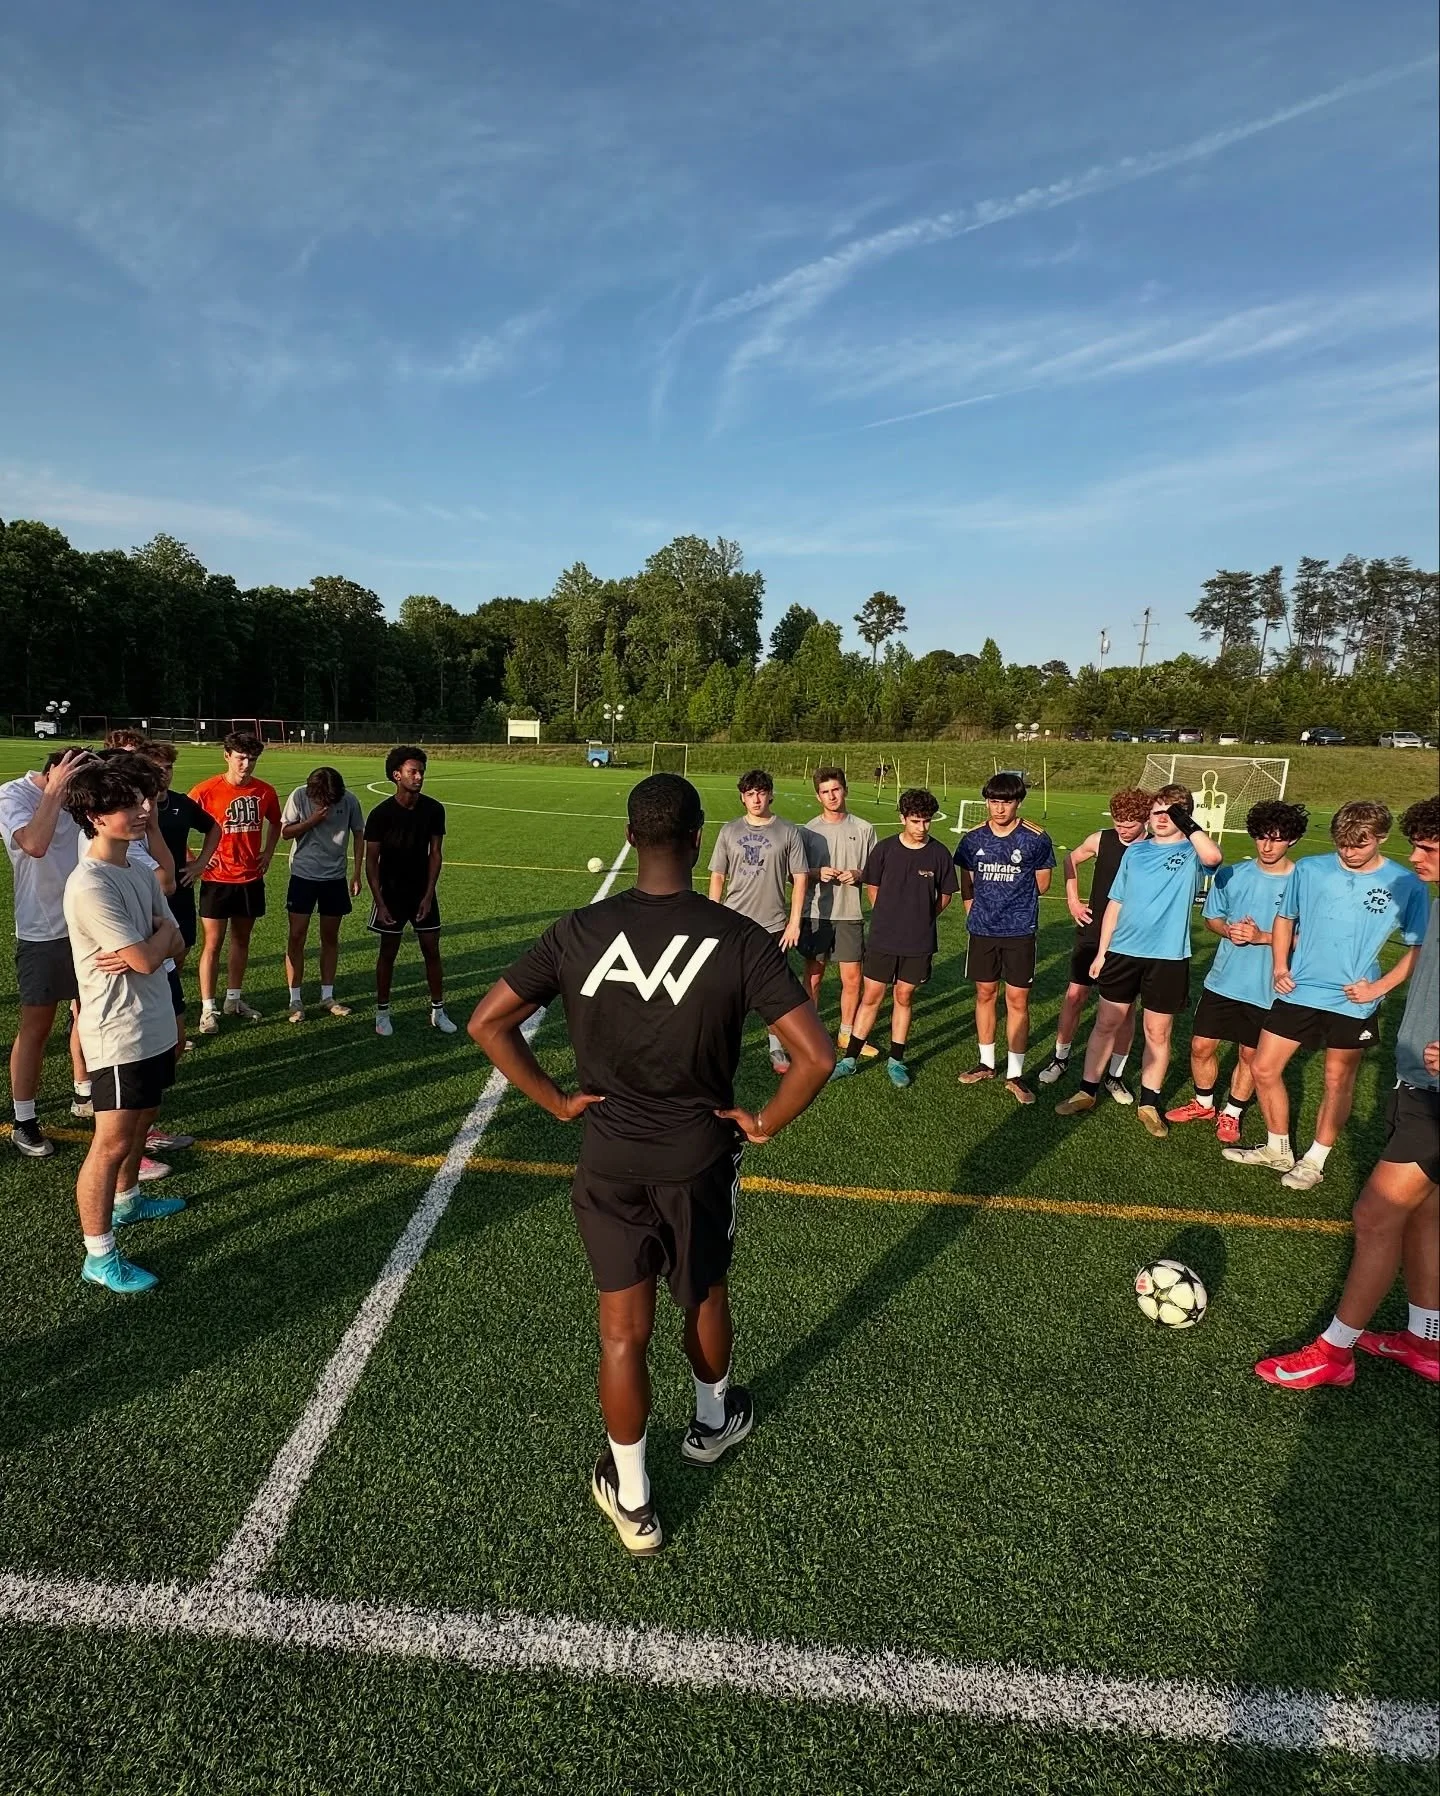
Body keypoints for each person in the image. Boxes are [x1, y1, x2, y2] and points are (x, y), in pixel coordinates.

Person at [468, 774, 833, 1556]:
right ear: (702, 837)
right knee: (703, 1290)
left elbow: (489, 1023)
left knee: (621, 1334)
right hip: (698, 1155)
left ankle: (633, 1498)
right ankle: (710, 1422)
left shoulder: (578, 930)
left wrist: (559, 1102)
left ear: (631, 837)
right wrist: (763, 1123)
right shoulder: (738, 939)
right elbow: (816, 1056)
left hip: (609, 1155)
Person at [1255, 797, 1439, 1388]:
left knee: (1376, 1214)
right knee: (1423, 1218)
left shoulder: (1409, 889)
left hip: (1431, 1092)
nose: (1416, 859)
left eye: (1429, 849)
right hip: (1418, 1079)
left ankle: (1335, 1352)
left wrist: (1378, 987)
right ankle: (1425, 1339)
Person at [1224, 800, 1428, 1191]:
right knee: (1264, 1069)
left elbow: (1419, 945)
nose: (1349, 853)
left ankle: (1314, 1160)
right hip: (1299, 989)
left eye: (1359, 845)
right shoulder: (1310, 869)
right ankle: (1277, 1148)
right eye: (1342, 845)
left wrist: (1380, 987)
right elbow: (1285, 919)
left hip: (1353, 1000)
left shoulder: (1406, 884)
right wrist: (1280, 967)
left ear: (1382, 838)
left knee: (1337, 1079)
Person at [61, 758, 188, 1294]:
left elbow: (177, 939)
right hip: (118, 1029)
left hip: (155, 1019)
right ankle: (99, 1254)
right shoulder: (89, 885)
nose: (144, 810)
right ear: (93, 815)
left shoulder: (136, 870)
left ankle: (129, 1199)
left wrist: (153, 945)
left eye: (144, 799)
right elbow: (143, 955)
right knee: (110, 1142)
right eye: (129, 804)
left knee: (143, 1122)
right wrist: (154, 945)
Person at [1056, 784, 1223, 1137]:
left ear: (1184, 816)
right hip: (1122, 953)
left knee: (1157, 1033)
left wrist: (1188, 823)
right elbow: (1116, 903)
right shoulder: (1135, 852)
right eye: (1156, 811)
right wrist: (1102, 952)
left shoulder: (1192, 852)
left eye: (1170, 813)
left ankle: (1149, 1102)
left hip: (1168, 958)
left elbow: (1213, 859)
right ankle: (1086, 1091)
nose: (1161, 819)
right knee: (1105, 1024)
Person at [1165, 800, 1309, 1145]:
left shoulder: (1304, 884)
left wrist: (1262, 937)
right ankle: (1203, 1103)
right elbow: (1212, 918)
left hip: (1269, 987)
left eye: (1276, 839)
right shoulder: (1232, 874)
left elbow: (1310, 939)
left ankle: (1232, 1112)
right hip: (1224, 980)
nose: (1267, 846)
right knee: (1201, 1045)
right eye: (1261, 837)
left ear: (1292, 840)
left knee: (1249, 1054)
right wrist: (1228, 931)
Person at [829, 788, 958, 1088]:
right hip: (883, 939)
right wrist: (889, 916)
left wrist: (922, 918)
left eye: (927, 821)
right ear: (902, 818)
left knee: (904, 996)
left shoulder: (939, 853)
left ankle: (896, 1060)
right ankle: (849, 1059)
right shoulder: (885, 849)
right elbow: (873, 887)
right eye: (915, 821)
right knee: (871, 996)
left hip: (919, 942)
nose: (921, 828)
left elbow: (947, 895)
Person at [0, 748, 94, 1155]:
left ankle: (86, 1094)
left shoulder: (81, 799)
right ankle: (24, 1120)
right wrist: (56, 791)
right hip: (43, 930)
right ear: (56, 772)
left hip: (89, 924)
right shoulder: (12, 795)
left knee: (93, 1017)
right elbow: (34, 845)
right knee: (36, 1028)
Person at [1036, 787, 1150, 1100]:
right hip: (1093, 927)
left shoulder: (1155, 847)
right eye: (1118, 821)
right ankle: (1060, 1058)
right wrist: (1072, 901)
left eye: (1130, 822)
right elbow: (1070, 859)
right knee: (1075, 995)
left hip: (1131, 938)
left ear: (1145, 819)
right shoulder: (1102, 839)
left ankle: (1115, 1075)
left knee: (1126, 1011)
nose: (1123, 828)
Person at [954, 772, 1055, 1104]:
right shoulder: (971, 839)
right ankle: (986, 1062)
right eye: (994, 801)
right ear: (987, 801)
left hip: (1020, 930)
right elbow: (966, 882)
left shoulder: (1036, 839)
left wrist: (1014, 903)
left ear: (1018, 802)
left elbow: (1043, 884)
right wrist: (973, 910)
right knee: (985, 994)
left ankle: (1015, 1072)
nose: (999, 808)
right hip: (982, 929)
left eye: (1006, 801)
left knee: (1017, 1001)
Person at [707, 769, 810, 1073]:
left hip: (774, 925)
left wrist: (794, 923)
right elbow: (717, 876)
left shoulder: (788, 831)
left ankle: (777, 1048)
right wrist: (713, 917)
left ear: (770, 794)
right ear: (742, 797)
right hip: (733, 924)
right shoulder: (729, 831)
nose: (756, 799)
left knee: (772, 993)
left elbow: (801, 879)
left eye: (761, 792)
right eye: (750, 793)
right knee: (727, 988)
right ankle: (723, 1044)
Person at [188, 730, 281, 1032]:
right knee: (212, 944)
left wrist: (268, 852)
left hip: (250, 879)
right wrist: (196, 860)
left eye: (252, 759)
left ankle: (233, 999)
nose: (246, 765)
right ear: (227, 756)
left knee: (242, 940)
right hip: (217, 879)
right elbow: (174, 826)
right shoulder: (205, 790)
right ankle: (207, 1009)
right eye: (241, 758)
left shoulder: (265, 792)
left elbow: (276, 823)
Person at [136, 739, 221, 1067]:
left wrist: (200, 864)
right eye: (157, 769)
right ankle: (155, 1026)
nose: (164, 774)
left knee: (177, 954)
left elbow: (214, 827)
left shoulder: (182, 804)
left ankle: (169, 1019)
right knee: (147, 961)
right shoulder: (134, 809)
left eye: (168, 768)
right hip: (147, 896)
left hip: (179, 892)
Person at [365, 746, 456, 1036]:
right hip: (390, 893)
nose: (418, 777)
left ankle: (438, 1012)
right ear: (396, 775)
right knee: (388, 952)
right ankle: (382, 1014)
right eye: (412, 771)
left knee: (431, 949)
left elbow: (436, 854)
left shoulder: (433, 809)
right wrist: (379, 902)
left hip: (422, 892)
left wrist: (429, 894)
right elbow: (371, 860)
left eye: (421, 772)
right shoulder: (380, 814)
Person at [798, 766, 876, 1055]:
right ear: (818, 796)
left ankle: (846, 1034)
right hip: (817, 913)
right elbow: (795, 873)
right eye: (825, 792)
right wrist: (817, 872)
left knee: (852, 979)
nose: (831, 796)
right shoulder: (807, 831)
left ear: (845, 790)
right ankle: (811, 1033)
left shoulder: (864, 828)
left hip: (850, 913)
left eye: (836, 790)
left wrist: (858, 874)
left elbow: (875, 872)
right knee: (814, 975)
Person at [281, 766, 365, 1023]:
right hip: (303, 876)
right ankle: (295, 999)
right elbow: (286, 833)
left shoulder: (349, 800)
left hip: (334, 877)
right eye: (320, 797)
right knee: (297, 935)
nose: (326, 802)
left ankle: (327, 996)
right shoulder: (298, 796)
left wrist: (357, 872)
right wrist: (312, 821)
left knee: (330, 936)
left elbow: (359, 833)